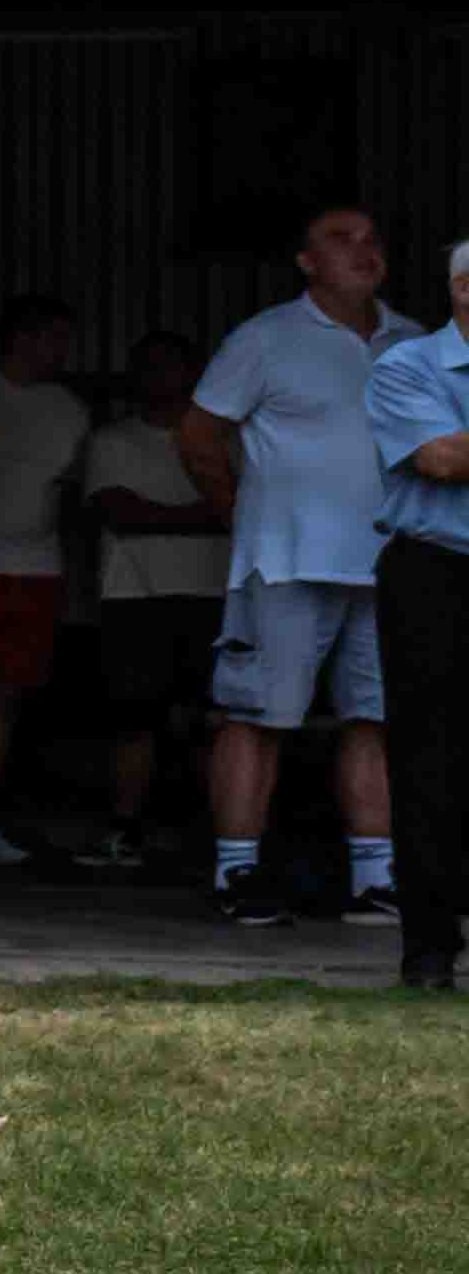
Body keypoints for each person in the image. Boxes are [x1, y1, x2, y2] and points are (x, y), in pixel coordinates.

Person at [188, 208, 401, 928]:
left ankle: (376, 878)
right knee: (257, 715)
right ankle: (236, 871)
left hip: (388, 565)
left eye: (372, 240)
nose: (363, 251)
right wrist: (242, 517)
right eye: (342, 240)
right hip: (284, 562)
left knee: (375, 719)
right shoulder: (264, 338)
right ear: (306, 262)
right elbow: (199, 436)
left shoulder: (412, 341)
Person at [0, 298, 91, 868]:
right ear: (22, 337)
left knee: (4, 696)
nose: (64, 352)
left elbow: (71, 494)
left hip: (37, 568)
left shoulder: (70, 409)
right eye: (55, 338)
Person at [80, 329, 232, 855]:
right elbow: (117, 512)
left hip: (217, 595)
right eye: (147, 364)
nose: (157, 375)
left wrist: (163, 515)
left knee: (218, 719)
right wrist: (210, 514)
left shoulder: (229, 442)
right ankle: (126, 828)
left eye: (169, 364)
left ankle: (222, 836)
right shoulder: (111, 440)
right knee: (132, 719)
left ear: (195, 374)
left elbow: (247, 509)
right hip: (133, 598)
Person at [370, 243, 467, 994]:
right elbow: (440, 458)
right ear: (463, 289)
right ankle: (430, 950)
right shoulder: (407, 364)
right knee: (431, 759)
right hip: (437, 574)